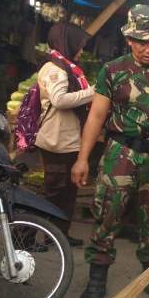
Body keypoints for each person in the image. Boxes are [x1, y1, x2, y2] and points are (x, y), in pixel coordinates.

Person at [71, 5, 149, 298]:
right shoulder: (113, 70)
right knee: (108, 214)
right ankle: (97, 278)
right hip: (121, 152)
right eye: (142, 42)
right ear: (130, 41)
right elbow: (96, 116)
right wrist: (83, 159)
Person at [35, 22, 95, 247]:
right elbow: (59, 100)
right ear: (66, 43)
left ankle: (60, 235)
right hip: (56, 140)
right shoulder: (55, 69)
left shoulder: (68, 67)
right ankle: (31, 236)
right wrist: (92, 93)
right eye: (79, 45)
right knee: (54, 191)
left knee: (68, 192)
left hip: (68, 140)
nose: (81, 51)